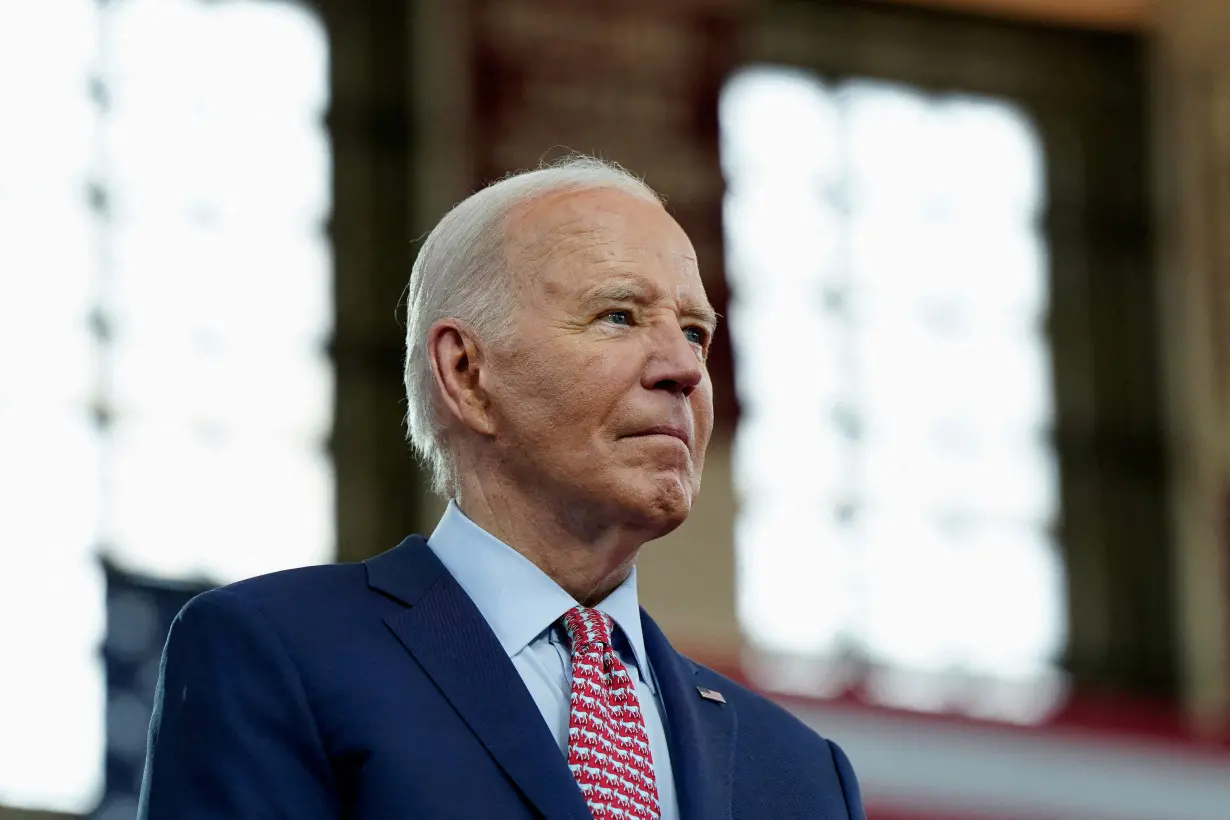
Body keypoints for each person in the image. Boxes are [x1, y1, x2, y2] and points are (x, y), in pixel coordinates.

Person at [137, 155, 865, 819]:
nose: (685, 369)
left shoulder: (803, 775)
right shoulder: (277, 657)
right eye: (619, 316)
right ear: (466, 374)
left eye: (696, 334)